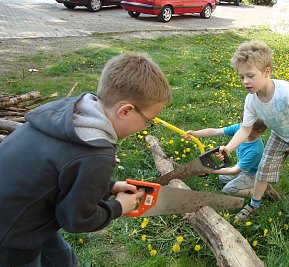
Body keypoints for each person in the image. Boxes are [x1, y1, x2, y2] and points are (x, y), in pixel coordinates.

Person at [0, 52, 172, 266]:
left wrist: (110, 186)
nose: (145, 127)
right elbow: (77, 219)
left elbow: (63, 171)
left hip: (23, 211)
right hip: (12, 238)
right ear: (126, 111)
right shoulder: (97, 154)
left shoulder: (71, 111)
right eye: (149, 120)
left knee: (64, 260)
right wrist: (120, 207)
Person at [219, 41, 289, 234]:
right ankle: (255, 204)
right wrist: (229, 148)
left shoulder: (287, 93)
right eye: (241, 77)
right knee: (263, 170)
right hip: (280, 134)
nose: (245, 81)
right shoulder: (251, 99)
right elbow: (244, 129)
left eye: (250, 76)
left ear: (266, 72)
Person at [185, 115, 272, 198]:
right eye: (241, 124)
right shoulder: (241, 129)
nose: (240, 128)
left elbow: (234, 171)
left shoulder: (255, 151)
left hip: (253, 175)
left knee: (228, 190)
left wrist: (209, 170)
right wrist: (194, 134)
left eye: (244, 127)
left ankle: (260, 191)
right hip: (244, 169)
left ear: (258, 131)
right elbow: (216, 131)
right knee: (222, 177)